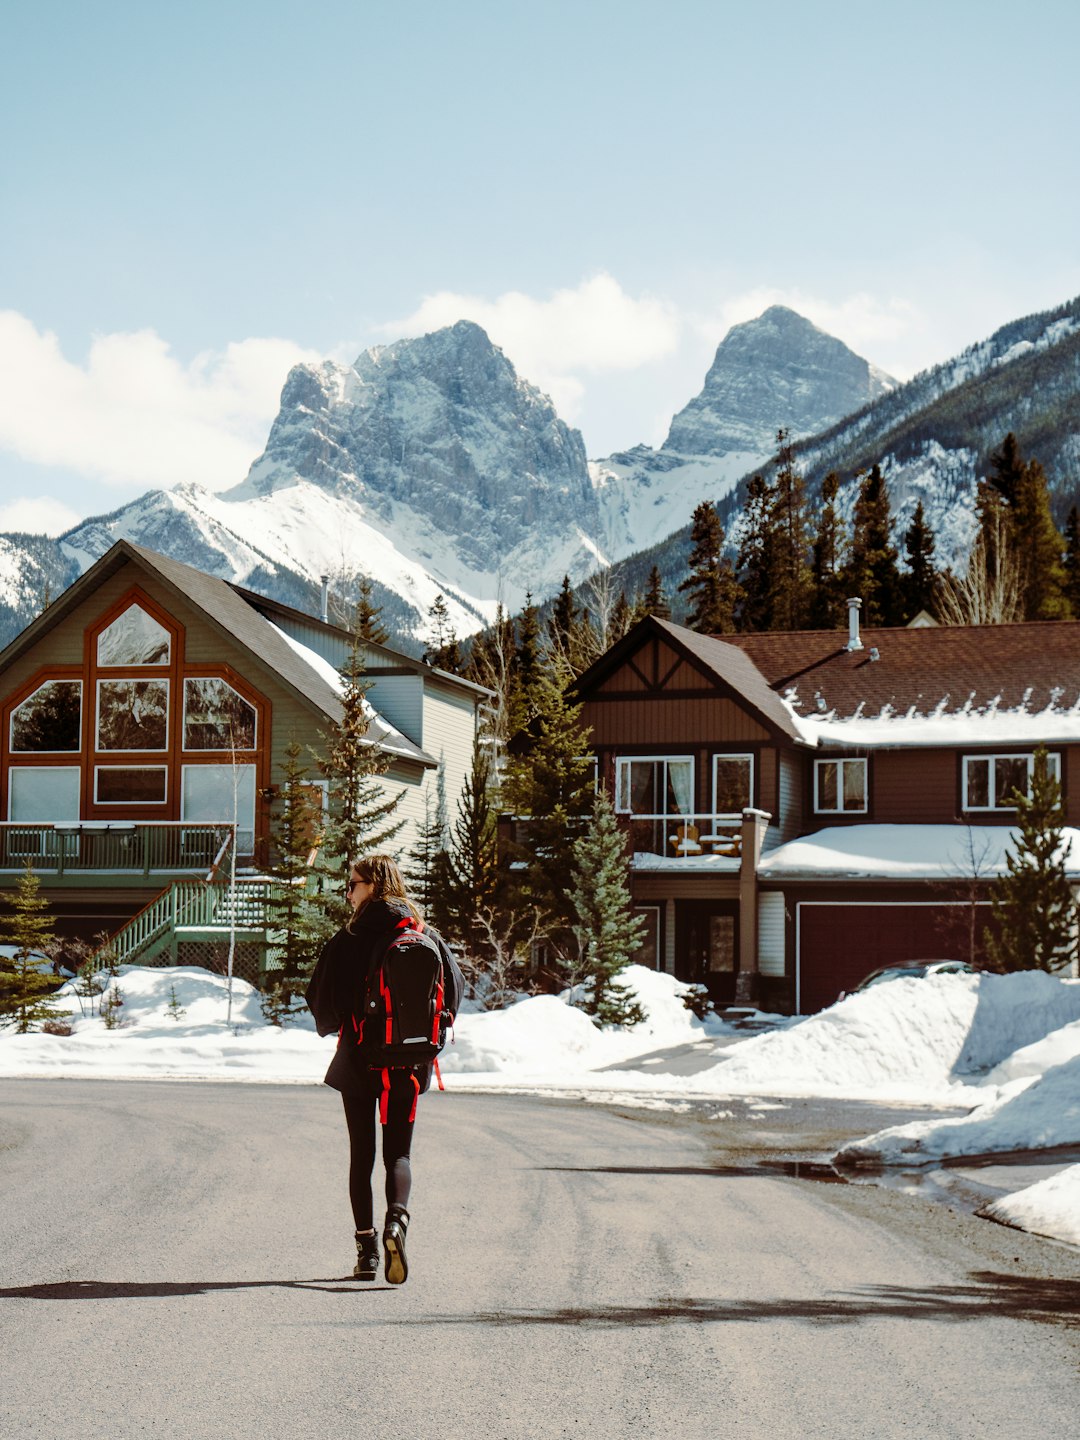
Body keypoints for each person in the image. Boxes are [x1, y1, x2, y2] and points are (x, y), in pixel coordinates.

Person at [306, 854, 463, 1284]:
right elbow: (454, 992)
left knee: (362, 1156)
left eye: (351, 884)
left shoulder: (349, 937)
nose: (349, 892)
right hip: (408, 1063)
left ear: (371, 885)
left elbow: (321, 999)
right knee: (399, 1154)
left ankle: (367, 1252)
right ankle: (398, 1222)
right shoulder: (422, 933)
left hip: (359, 1058)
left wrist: (339, 1023)